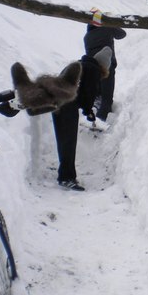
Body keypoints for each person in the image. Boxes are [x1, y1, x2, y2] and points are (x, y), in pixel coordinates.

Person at [52, 46, 112, 191]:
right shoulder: (93, 70)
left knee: (63, 141)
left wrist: (87, 109)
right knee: (69, 142)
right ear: (104, 66)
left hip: (56, 103)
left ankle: (64, 173)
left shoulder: (79, 64)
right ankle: (67, 178)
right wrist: (88, 110)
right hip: (67, 105)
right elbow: (87, 95)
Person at [83, 18, 126, 122]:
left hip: (91, 69)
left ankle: (93, 120)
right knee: (107, 98)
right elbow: (122, 34)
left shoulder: (87, 37)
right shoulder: (107, 28)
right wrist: (110, 23)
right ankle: (102, 122)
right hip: (106, 67)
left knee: (97, 96)